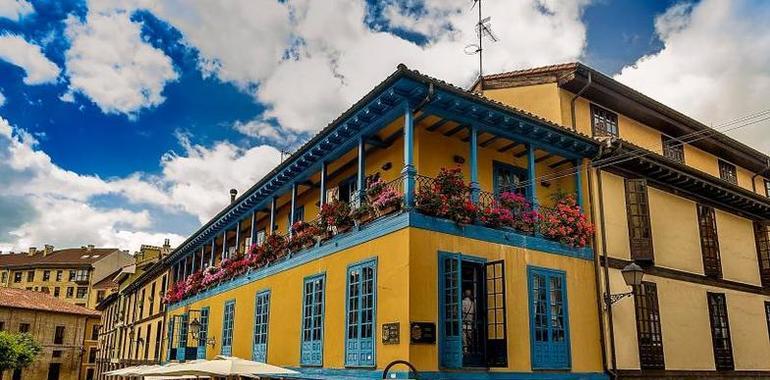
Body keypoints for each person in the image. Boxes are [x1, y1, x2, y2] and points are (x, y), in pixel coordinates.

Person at [462, 289, 475, 353]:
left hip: (463, 322)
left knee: (464, 337)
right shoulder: (473, 303)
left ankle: (465, 350)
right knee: (470, 337)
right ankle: (471, 350)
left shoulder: (462, 302)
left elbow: (458, 312)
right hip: (471, 323)